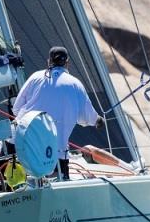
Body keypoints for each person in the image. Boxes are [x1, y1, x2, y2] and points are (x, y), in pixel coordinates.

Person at [12, 46, 105, 180]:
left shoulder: (35, 77)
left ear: (48, 61)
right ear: (67, 63)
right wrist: (98, 121)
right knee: (59, 181)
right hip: (56, 156)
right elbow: (86, 117)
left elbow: (16, 109)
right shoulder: (75, 84)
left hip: (26, 151)